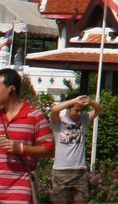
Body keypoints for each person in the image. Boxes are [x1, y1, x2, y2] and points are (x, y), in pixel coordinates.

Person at [0, 67, 54, 204]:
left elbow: (49, 150)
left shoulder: (35, 116)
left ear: (11, 89)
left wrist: (20, 148)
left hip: (19, 192)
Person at [48, 93, 99, 204]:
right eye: (76, 110)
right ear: (68, 108)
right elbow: (54, 109)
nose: (79, 113)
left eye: (81, 110)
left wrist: (89, 101)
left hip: (80, 171)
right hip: (61, 171)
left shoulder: (83, 119)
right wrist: (74, 100)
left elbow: (99, 110)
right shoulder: (58, 121)